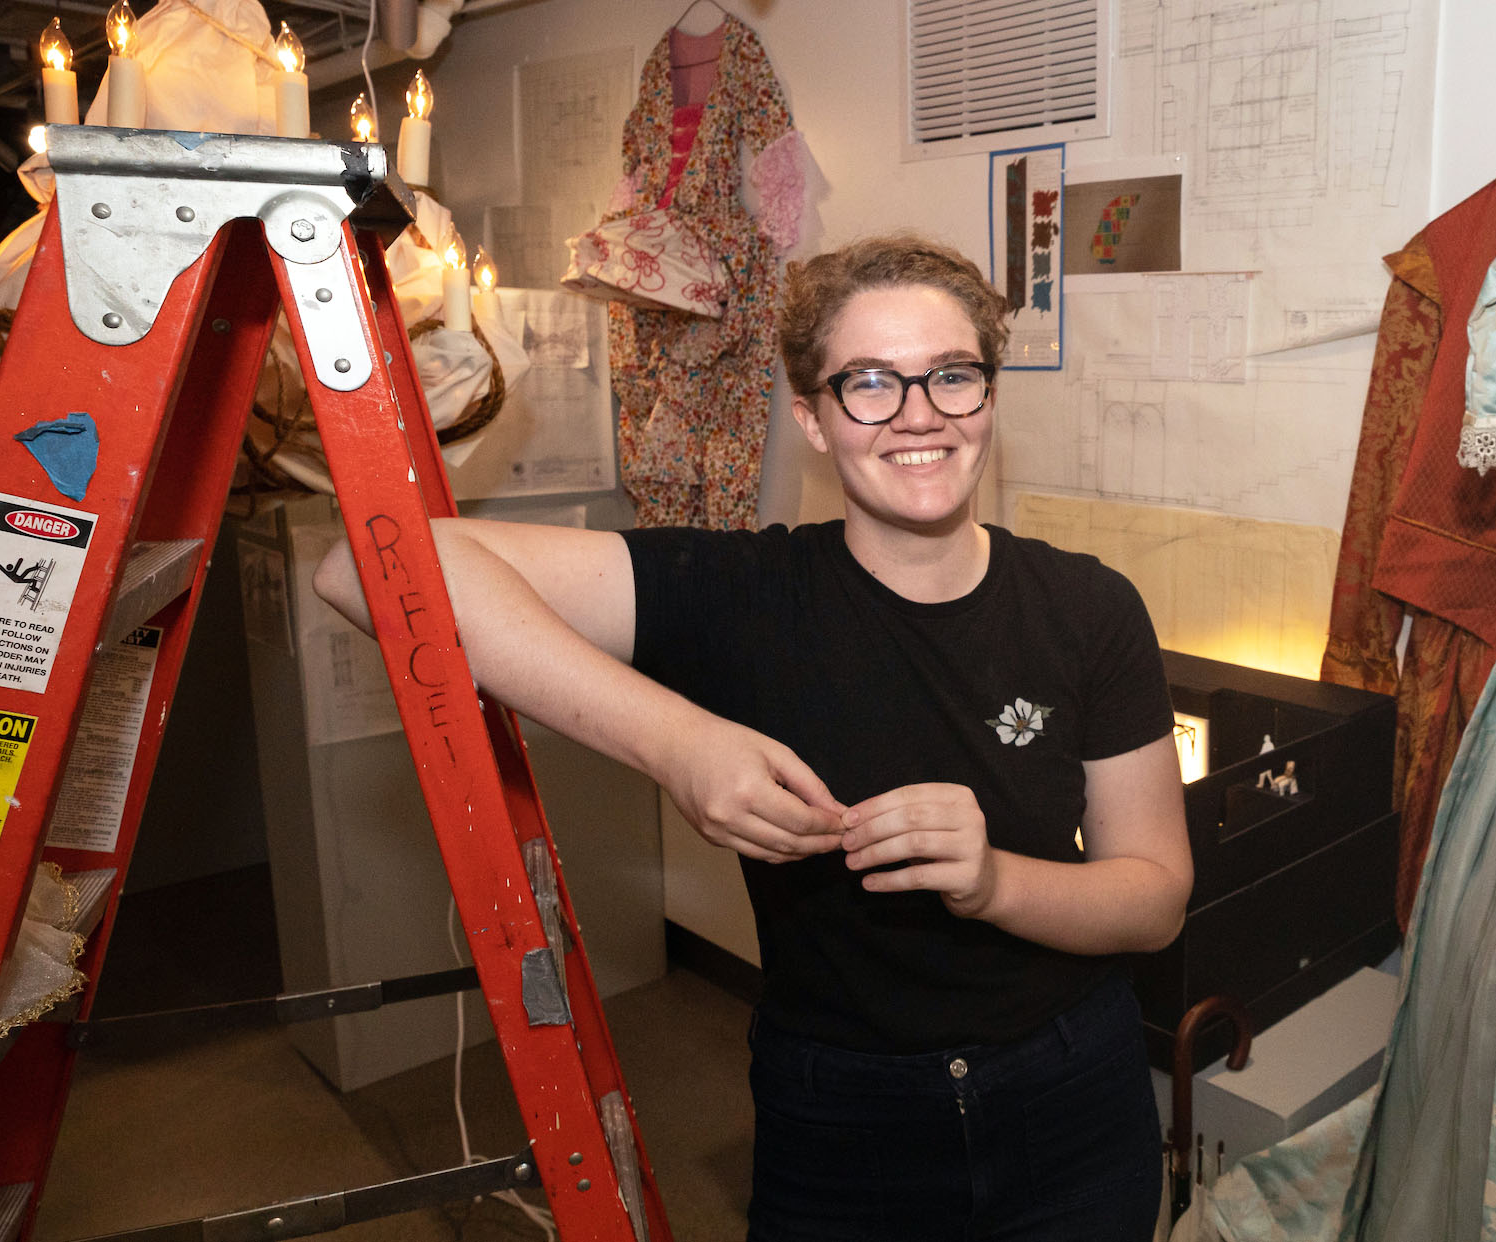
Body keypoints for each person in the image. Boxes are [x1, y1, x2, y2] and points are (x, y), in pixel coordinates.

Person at [315, 233, 1193, 1240]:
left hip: (1069, 1099)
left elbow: (1153, 901)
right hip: (843, 1117)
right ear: (814, 418)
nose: (919, 415)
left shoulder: (1089, 608)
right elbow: (365, 567)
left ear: (989, 393)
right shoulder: (745, 594)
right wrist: (678, 740)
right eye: (869, 383)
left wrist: (993, 879)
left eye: (952, 376)